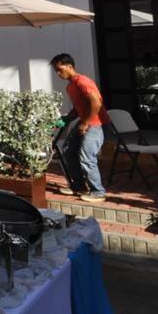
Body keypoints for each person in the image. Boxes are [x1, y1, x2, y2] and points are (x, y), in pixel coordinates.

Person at [50, 53, 109, 202]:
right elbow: (78, 109)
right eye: (55, 71)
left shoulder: (83, 81)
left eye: (59, 69)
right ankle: (79, 186)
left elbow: (96, 103)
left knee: (86, 155)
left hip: (95, 124)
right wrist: (65, 119)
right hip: (85, 121)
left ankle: (98, 192)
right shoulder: (70, 87)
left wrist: (85, 123)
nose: (58, 73)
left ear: (70, 66)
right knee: (68, 151)